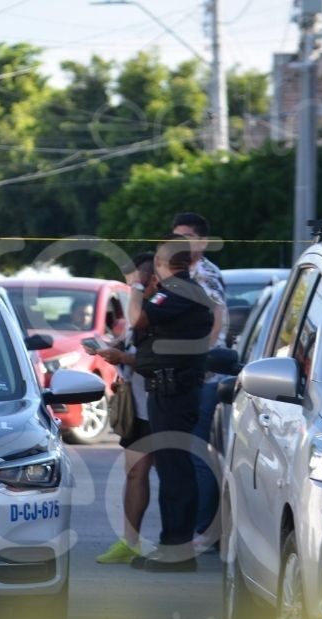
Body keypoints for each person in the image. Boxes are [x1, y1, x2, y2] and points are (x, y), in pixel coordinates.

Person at [129, 236, 213, 572]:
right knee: (170, 469)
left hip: (174, 393)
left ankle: (177, 550)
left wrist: (137, 287)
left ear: (163, 263)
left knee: (175, 471)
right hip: (168, 390)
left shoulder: (178, 291)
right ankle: (170, 544)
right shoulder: (178, 291)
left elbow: (138, 321)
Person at [170, 212, 228, 548]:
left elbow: (215, 322)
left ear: (202, 242)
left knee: (198, 454)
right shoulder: (182, 275)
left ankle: (207, 532)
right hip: (189, 375)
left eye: (186, 236)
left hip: (204, 376)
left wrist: (194, 359)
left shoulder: (205, 276)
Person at [94, 252, 156, 564]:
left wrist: (124, 359)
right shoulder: (136, 311)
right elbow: (134, 344)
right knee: (134, 473)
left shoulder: (160, 310)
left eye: (136, 281)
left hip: (163, 405)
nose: (131, 286)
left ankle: (178, 542)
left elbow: (161, 358)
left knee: (173, 478)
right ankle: (129, 542)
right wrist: (115, 351)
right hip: (138, 407)